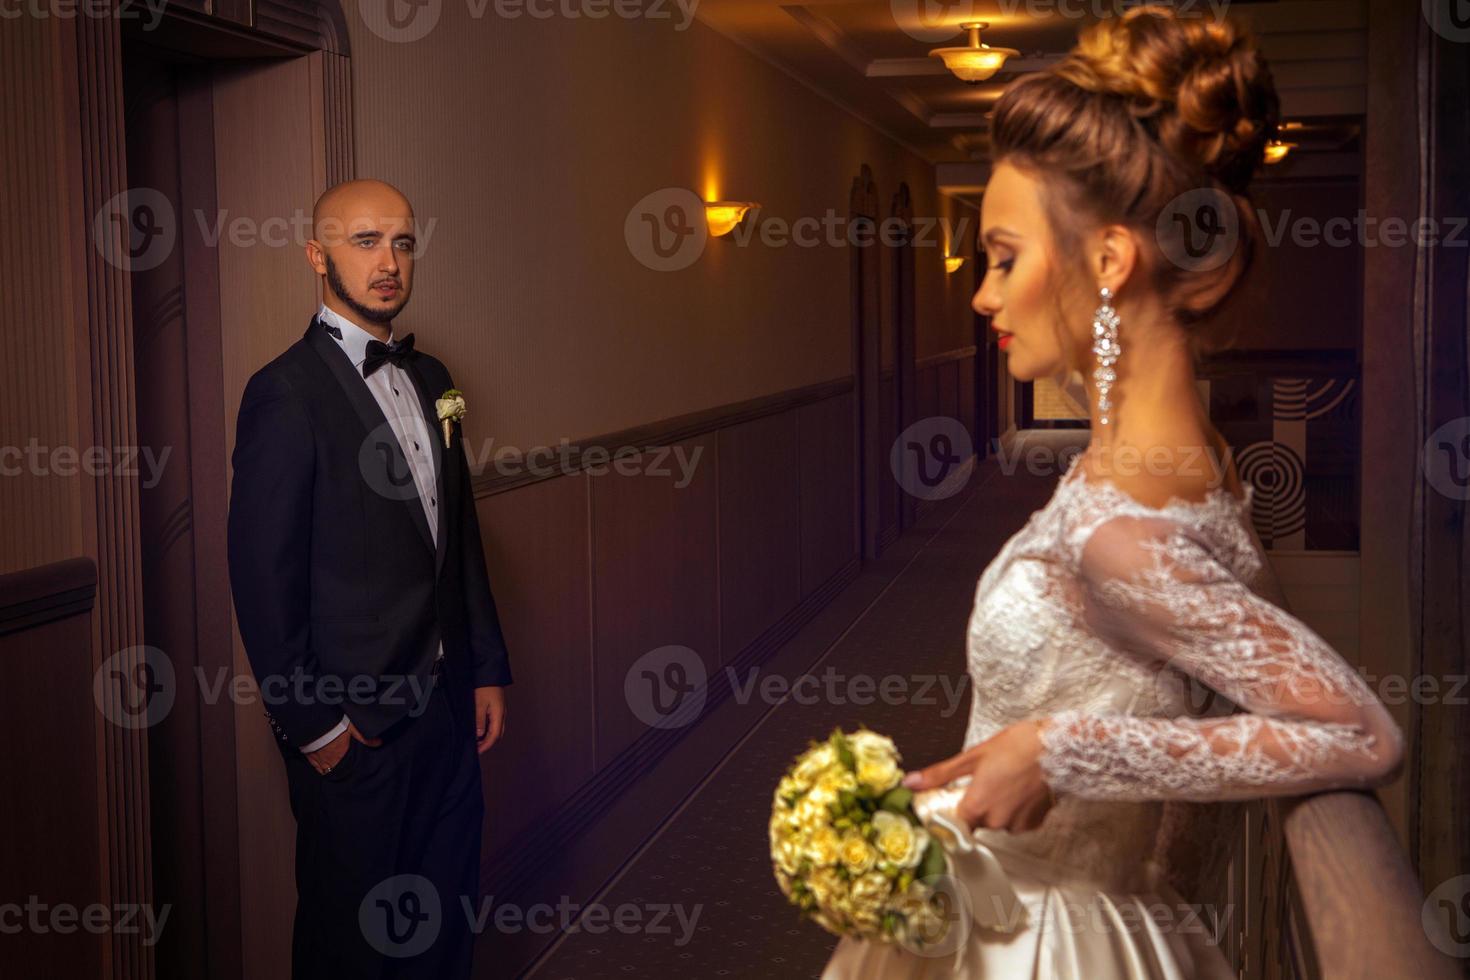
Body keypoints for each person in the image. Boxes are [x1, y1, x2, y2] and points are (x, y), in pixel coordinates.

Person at [822, 8, 1404, 977]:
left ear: (1109, 261)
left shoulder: (1126, 540)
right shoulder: (1176, 459)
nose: (982, 292)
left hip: (1048, 940)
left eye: (1004, 256)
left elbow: (1359, 729)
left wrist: (1061, 751)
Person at [227, 178, 512, 978]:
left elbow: (458, 542)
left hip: (449, 714)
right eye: (364, 242)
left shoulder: (432, 378)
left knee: (446, 914)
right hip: (356, 731)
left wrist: (485, 667)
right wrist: (318, 732)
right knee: (349, 941)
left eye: (403, 243)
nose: (389, 262)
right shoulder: (283, 394)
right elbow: (262, 580)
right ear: (317, 255)